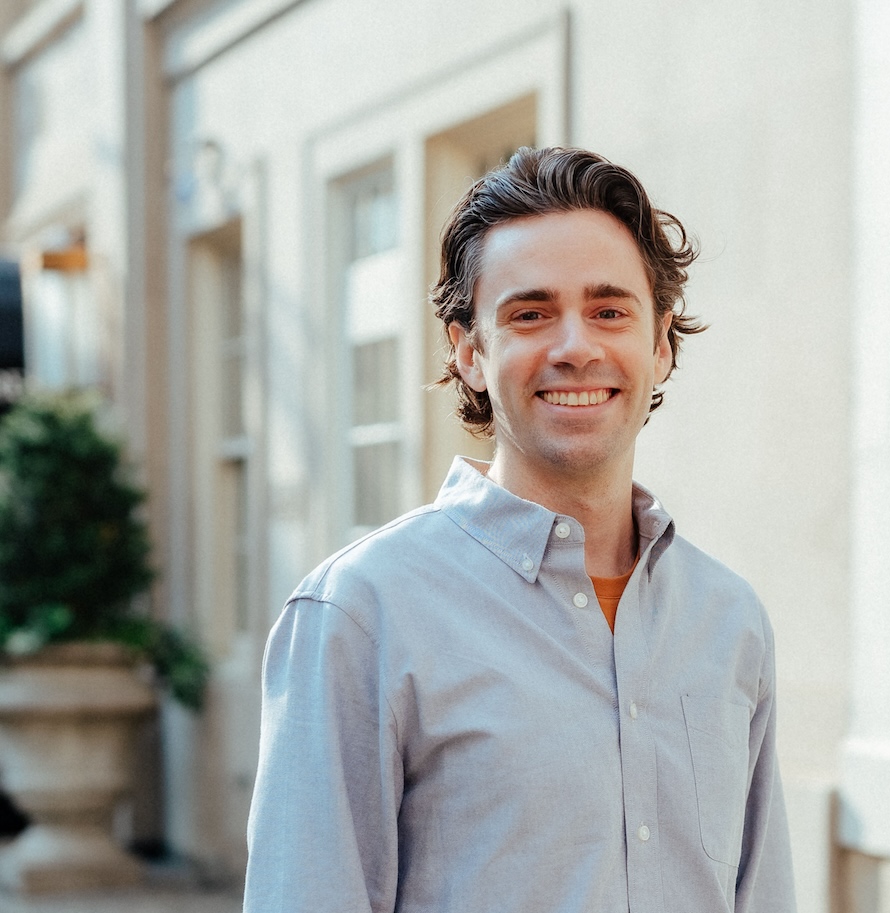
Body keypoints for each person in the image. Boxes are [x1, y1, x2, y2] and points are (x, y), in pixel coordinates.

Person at [244, 147, 795, 912]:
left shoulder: (729, 620)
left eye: (610, 310)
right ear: (469, 352)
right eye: (530, 314)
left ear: (662, 343)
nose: (575, 347)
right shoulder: (361, 615)